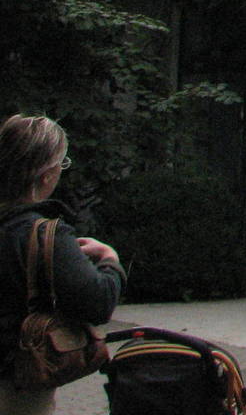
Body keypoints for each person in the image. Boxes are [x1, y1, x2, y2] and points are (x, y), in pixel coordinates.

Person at [0, 115, 125, 415]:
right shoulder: (44, 235)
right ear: (46, 176)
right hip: (15, 384)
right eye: (61, 164)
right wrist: (110, 261)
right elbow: (96, 302)